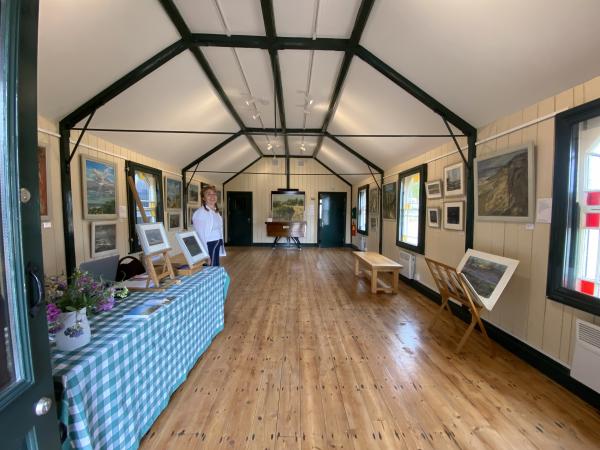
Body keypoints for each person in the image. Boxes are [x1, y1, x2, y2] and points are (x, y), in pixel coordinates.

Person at [192, 185, 225, 266]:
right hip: (210, 245)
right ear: (203, 198)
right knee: (212, 269)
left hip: (216, 243)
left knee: (215, 269)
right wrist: (206, 255)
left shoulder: (214, 211)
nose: (212, 196)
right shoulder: (200, 213)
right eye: (208, 194)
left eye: (214, 194)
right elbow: (200, 235)